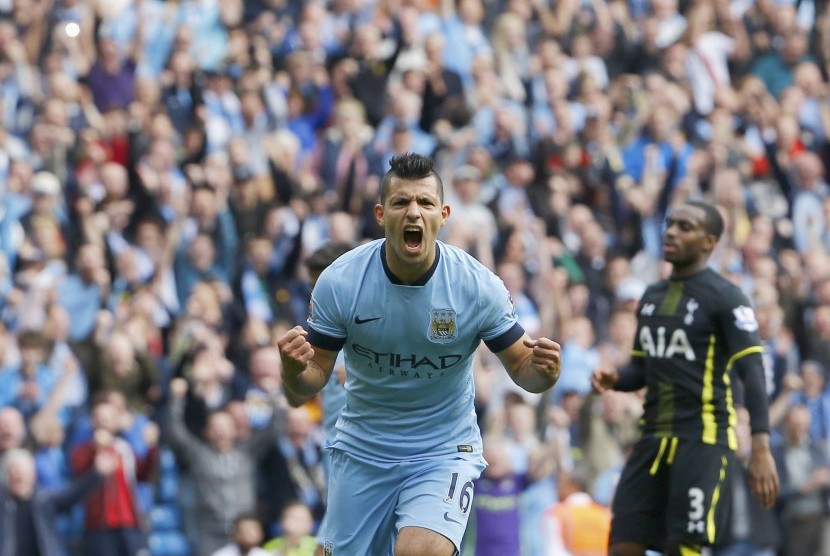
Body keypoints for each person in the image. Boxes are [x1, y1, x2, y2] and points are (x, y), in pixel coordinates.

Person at [277, 153, 562, 556]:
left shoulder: (477, 287)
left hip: (443, 450)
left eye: (425, 203)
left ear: (443, 214)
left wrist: (544, 374)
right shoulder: (340, 282)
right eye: (401, 202)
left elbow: (523, 368)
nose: (414, 212)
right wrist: (292, 370)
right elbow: (312, 377)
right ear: (380, 213)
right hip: (364, 449)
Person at [591, 201, 780, 556]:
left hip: (703, 438)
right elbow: (642, 369)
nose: (672, 232)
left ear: (709, 242)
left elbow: (752, 371)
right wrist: (615, 378)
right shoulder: (651, 297)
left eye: (685, 227)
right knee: (622, 545)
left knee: (684, 547)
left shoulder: (727, 297)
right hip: (652, 438)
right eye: (670, 224)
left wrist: (761, 446)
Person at [0, 447, 117, 556]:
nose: (16, 476)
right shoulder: (4, 504)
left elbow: (72, 495)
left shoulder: (43, 500)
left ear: (33, 475)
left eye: (21, 473)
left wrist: (97, 474)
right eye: (12, 474)